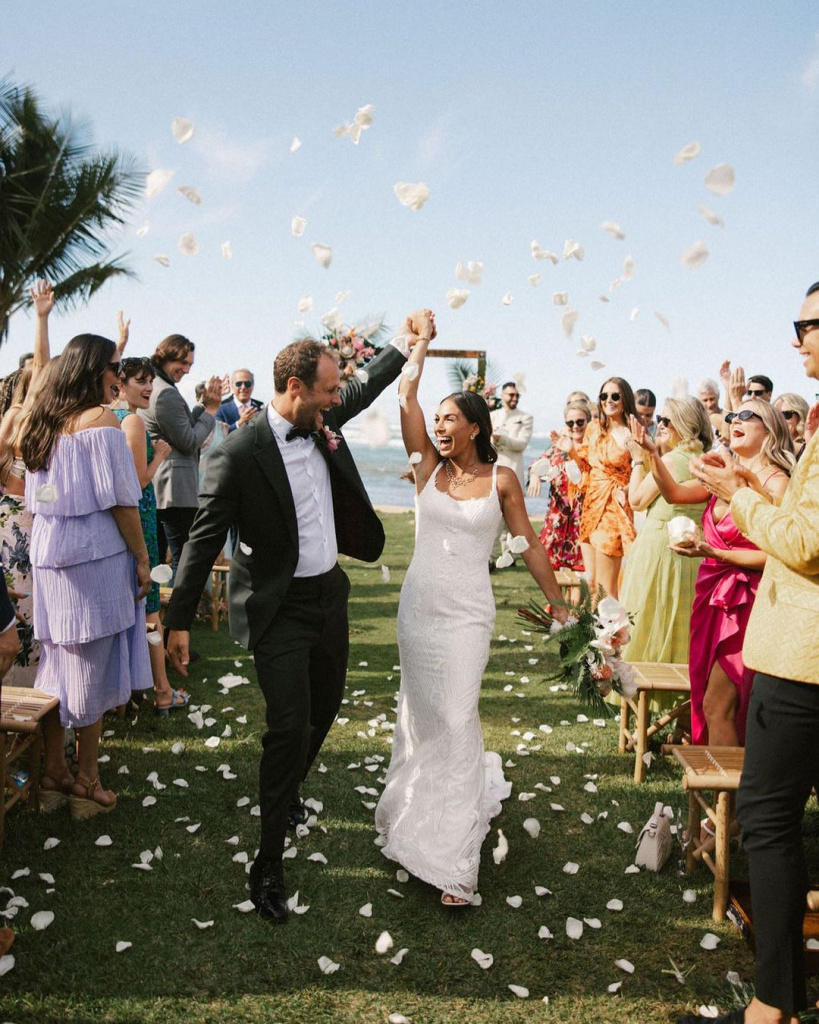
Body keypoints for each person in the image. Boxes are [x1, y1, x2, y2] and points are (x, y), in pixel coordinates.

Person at [163, 322, 417, 925]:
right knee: (285, 727)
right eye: (329, 392)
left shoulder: (321, 424)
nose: (338, 400)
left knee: (323, 710)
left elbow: (366, 385)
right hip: (278, 608)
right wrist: (177, 620)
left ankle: (289, 790)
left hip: (331, 596)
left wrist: (406, 345)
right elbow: (201, 541)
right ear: (297, 389)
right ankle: (268, 863)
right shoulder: (238, 453)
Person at [375, 312, 565, 907]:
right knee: (424, 716)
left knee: (458, 719)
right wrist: (422, 345)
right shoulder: (426, 469)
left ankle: (456, 862)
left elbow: (528, 543)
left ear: (477, 427)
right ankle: (418, 815)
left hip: (467, 615)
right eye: (436, 421)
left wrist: (558, 603)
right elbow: (405, 391)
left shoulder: (504, 478)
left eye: (449, 419)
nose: (438, 427)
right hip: (419, 610)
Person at [678, 285, 819, 1024]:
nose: (796, 337)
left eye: (805, 324)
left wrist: (736, 502)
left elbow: (801, 542)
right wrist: (750, 478)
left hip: (803, 659)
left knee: (766, 824)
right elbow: (803, 507)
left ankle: (773, 1008)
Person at [21, 336, 152, 818]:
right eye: (115, 366)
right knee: (90, 669)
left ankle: (54, 772)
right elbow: (122, 500)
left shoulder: (42, 425)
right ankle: (86, 782)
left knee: (56, 663)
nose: (119, 374)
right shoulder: (102, 424)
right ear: (94, 370)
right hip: (92, 560)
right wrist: (142, 558)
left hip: (51, 559)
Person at [634, 399, 791, 747]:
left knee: (719, 703)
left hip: (749, 601)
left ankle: (729, 798)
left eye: (747, 415)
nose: (735, 419)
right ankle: (730, 794)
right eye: (733, 415)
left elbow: (776, 554)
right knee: (715, 700)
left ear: (771, 428)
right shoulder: (723, 475)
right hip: (711, 596)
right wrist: (650, 455)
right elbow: (674, 493)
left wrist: (712, 551)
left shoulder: (778, 484)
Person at [113, 357, 185, 713]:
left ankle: (128, 690)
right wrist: (159, 456)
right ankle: (162, 689)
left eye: (151, 382)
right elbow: (136, 481)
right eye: (140, 381)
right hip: (138, 519)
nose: (148, 388)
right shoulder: (133, 422)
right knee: (150, 606)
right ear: (121, 382)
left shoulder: (101, 418)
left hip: (114, 524)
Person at [620, 397, 711, 664]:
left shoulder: (671, 460)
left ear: (683, 425)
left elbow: (636, 500)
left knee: (650, 617)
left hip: (660, 549)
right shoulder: (705, 460)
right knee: (682, 621)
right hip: (694, 551)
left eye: (666, 420)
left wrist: (638, 460)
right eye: (659, 419)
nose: (659, 425)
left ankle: (646, 692)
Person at [0, 281, 53, 686]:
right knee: (18, 619)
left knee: (35, 618)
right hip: (12, 529)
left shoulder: (35, 425)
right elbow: (42, 376)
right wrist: (41, 319)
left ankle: (29, 708)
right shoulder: (15, 422)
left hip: (35, 525)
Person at [139, 334, 223, 581]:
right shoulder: (166, 393)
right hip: (174, 489)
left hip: (162, 486)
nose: (186, 370)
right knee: (183, 558)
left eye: (190, 365)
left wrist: (201, 405)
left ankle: (161, 612)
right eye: (182, 363)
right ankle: (177, 613)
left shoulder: (158, 386)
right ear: (166, 356)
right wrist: (210, 410)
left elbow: (179, 427)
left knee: (160, 557)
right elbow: (188, 442)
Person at [568, 377, 637, 598]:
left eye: (615, 396)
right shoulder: (593, 428)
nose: (609, 400)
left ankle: (612, 632)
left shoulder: (632, 433)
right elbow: (585, 466)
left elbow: (642, 472)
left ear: (625, 399)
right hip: (591, 506)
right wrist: (571, 450)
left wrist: (626, 491)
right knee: (592, 583)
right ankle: (592, 633)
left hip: (613, 508)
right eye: (604, 396)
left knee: (607, 588)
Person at [527, 399, 591, 571]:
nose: (575, 426)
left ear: (588, 422)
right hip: (556, 524)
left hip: (582, 524)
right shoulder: (557, 449)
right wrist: (534, 475)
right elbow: (538, 464)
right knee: (552, 582)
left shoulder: (594, 449)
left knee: (579, 581)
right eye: (570, 422)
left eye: (580, 422)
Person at [773, 392, 809, 459]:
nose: (781, 420)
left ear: (800, 416)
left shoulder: (811, 446)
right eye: (776, 415)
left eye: (786, 414)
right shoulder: (767, 447)